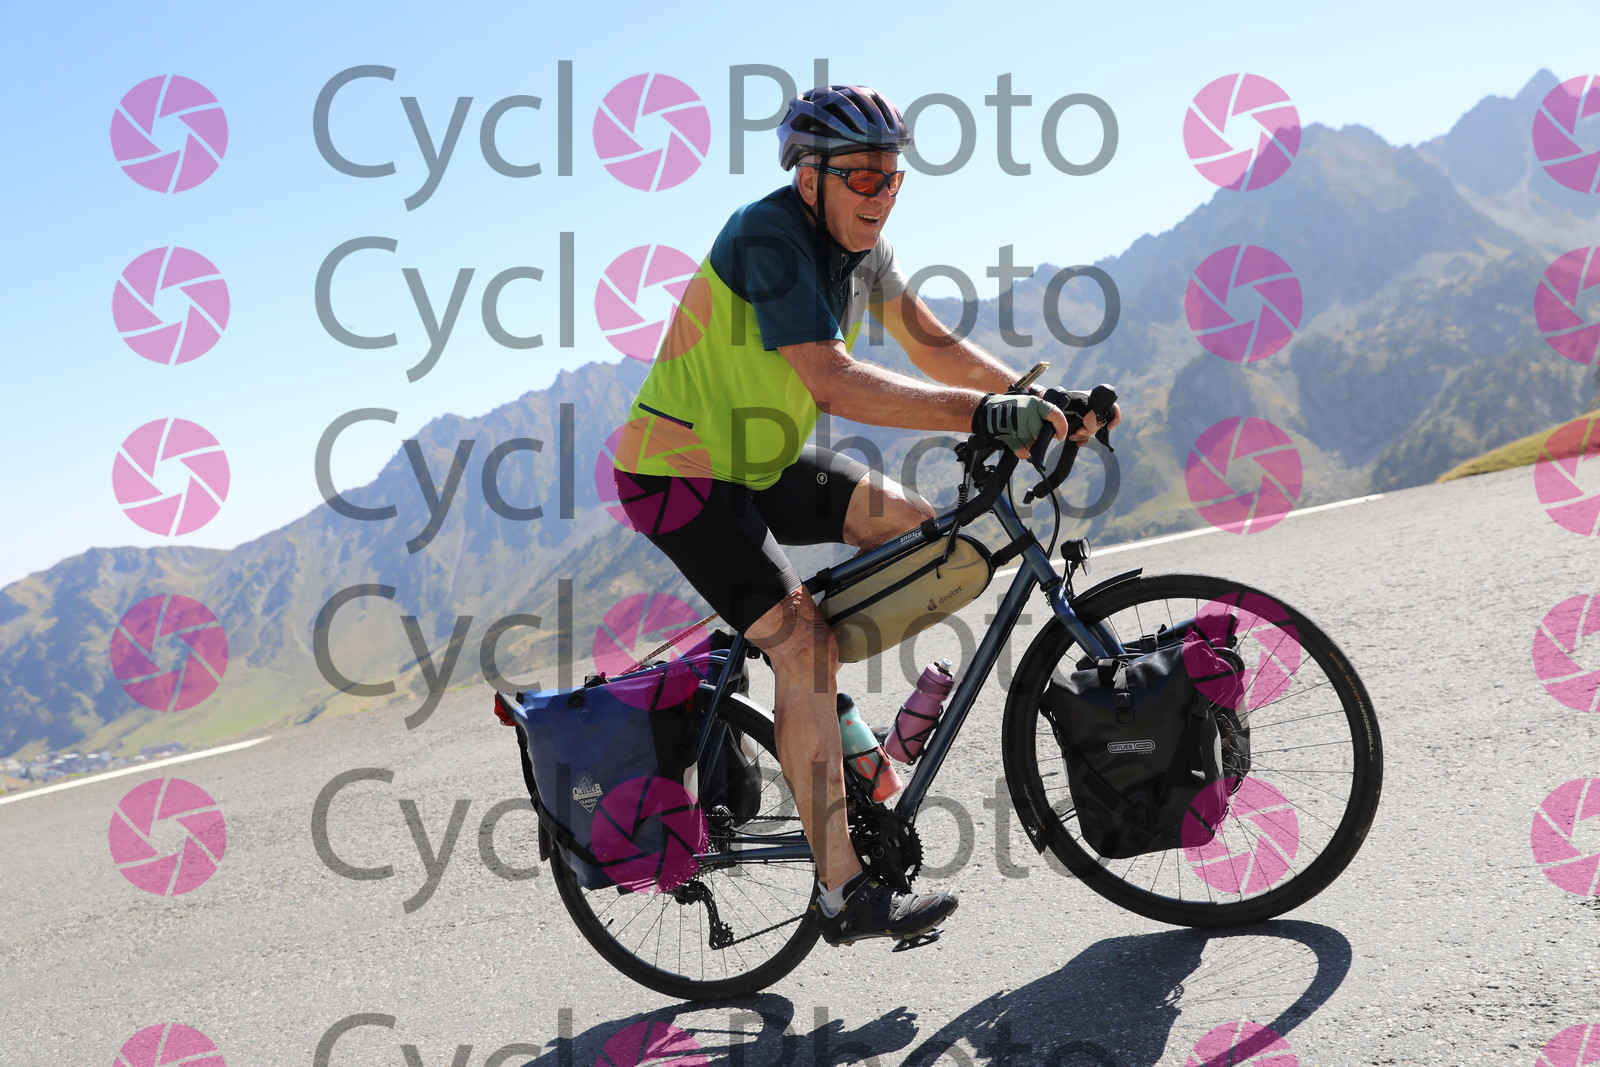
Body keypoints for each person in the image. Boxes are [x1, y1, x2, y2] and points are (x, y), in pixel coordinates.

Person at [611, 85, 1119, 946]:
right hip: (677, 472)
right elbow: (831, 380)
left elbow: (930, 342)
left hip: (758, 459)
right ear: (809, 177)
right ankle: (842, 890)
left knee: (916, 530)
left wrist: (1037, 397)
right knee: (804, 644)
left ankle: (826, 724)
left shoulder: (863, 250)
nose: (882, 193)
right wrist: (983, 414)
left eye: (893, 176)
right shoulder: (768, 236)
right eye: (863, 177)